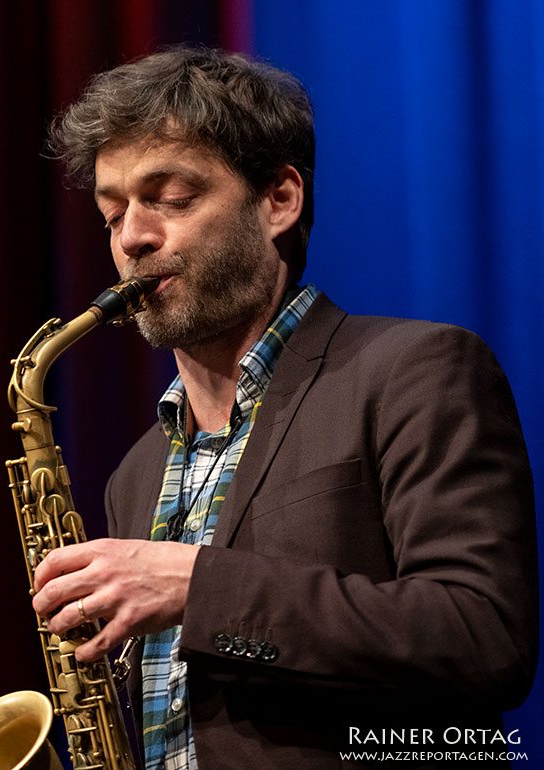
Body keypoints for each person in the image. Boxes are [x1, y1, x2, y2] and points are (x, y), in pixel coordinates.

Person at [31, 46, 538, 769]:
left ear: (279, 200)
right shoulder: (134, 475)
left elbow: (483, 636)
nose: (133, 237)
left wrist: (198, 587)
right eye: (113, 214)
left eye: (171, 198)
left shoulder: (414, 371)